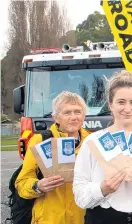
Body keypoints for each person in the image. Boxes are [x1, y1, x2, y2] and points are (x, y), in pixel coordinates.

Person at [73, 70, 132, 224]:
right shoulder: (93, 142)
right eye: (121, 102)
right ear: (110, 104)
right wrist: (103, 188)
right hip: (102, 219)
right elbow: (80, 197)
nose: (127, 108)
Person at [15, 91, 90, 224]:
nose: (73, 117)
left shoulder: (92, 141)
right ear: (55, 117)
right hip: (49, 218)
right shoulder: (40, 141)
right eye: (67, 113)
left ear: (84, 115)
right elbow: (21, 183)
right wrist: (38, 186)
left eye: (78, 112)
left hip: (83, 218)